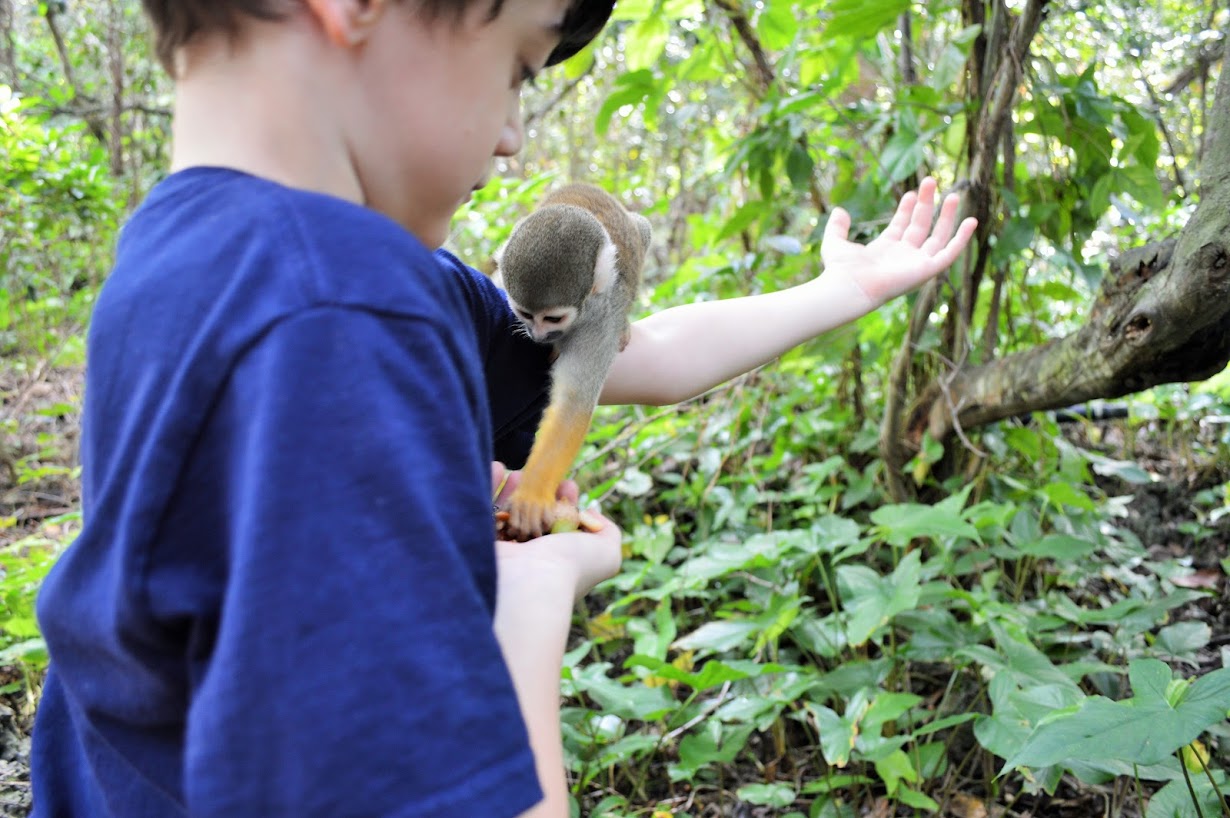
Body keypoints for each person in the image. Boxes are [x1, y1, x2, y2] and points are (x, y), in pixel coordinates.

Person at [30, 1, 976, 817]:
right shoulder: (337, 311)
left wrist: (838, 290)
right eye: (517, 66)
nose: (515, 132)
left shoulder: (195, 256)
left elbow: (633, 354)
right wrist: (533, 592)